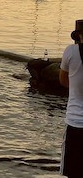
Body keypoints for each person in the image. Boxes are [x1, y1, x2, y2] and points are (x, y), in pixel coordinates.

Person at [59, 19, 83, 177]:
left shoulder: (71, 51)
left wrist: (75, 88)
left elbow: (63, 80)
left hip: (75, 121)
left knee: (72, 172)